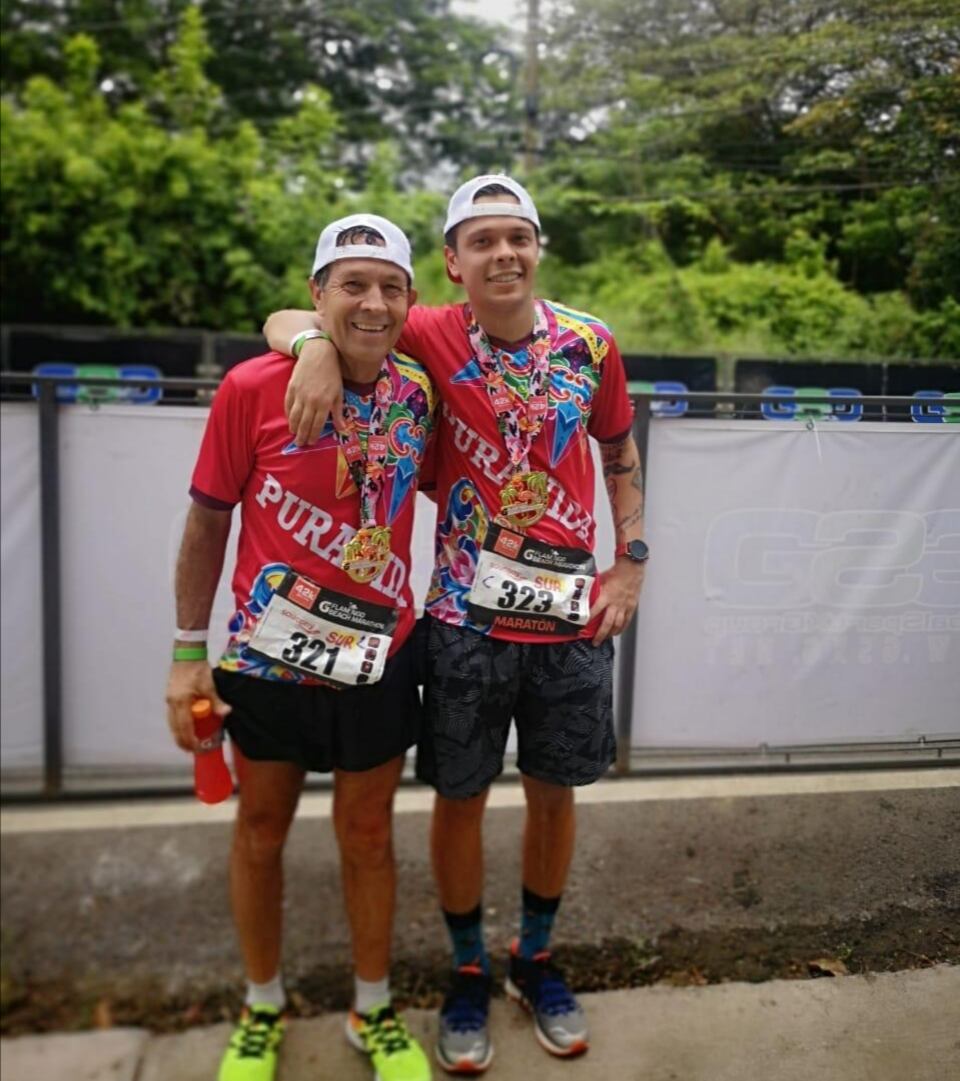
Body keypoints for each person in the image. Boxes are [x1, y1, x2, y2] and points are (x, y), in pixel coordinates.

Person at [263, 175, 648, 1075]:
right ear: (452, 262)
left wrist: (630, 559)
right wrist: (313, 346)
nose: (503, 253)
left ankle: (535, 959)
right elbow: (291, 316)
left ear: (537, 247)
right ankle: (469, 970)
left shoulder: (591, 342)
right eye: (483, 241)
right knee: (461, 795)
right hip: (462, 618)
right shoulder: (428, 330)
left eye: (518, 236)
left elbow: (619, 449)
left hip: (568, 619)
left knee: (554, 791)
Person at [165, 213, 436, 1081]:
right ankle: (262, 1007)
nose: (373, 302)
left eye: (390, 287)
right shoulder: (251, 387)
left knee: (369, 835)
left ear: (411, 301)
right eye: (352, 285)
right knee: (259, 830)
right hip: (266, 659)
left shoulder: (420, 392)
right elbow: (208, 522)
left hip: (377, 658)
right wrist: (186, 652)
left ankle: (372, 1007)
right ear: (319, 294)